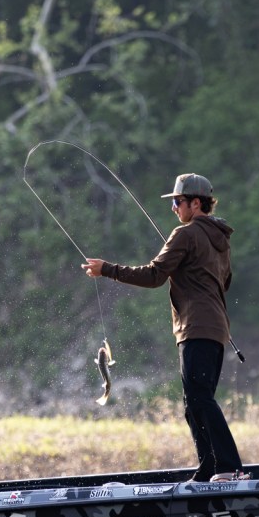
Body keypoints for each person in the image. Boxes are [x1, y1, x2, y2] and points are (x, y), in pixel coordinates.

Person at [82, 173, 247, 482]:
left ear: (195, 203)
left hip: (196, 326)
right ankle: (209, 469)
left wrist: (107, 270)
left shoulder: (185, 234)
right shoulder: (221, 240)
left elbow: (153, 276)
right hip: (216, 329)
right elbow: (224, 282)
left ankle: (230, 467)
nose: (174, 208)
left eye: (178, 201)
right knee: (193, 402)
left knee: (199, 399)